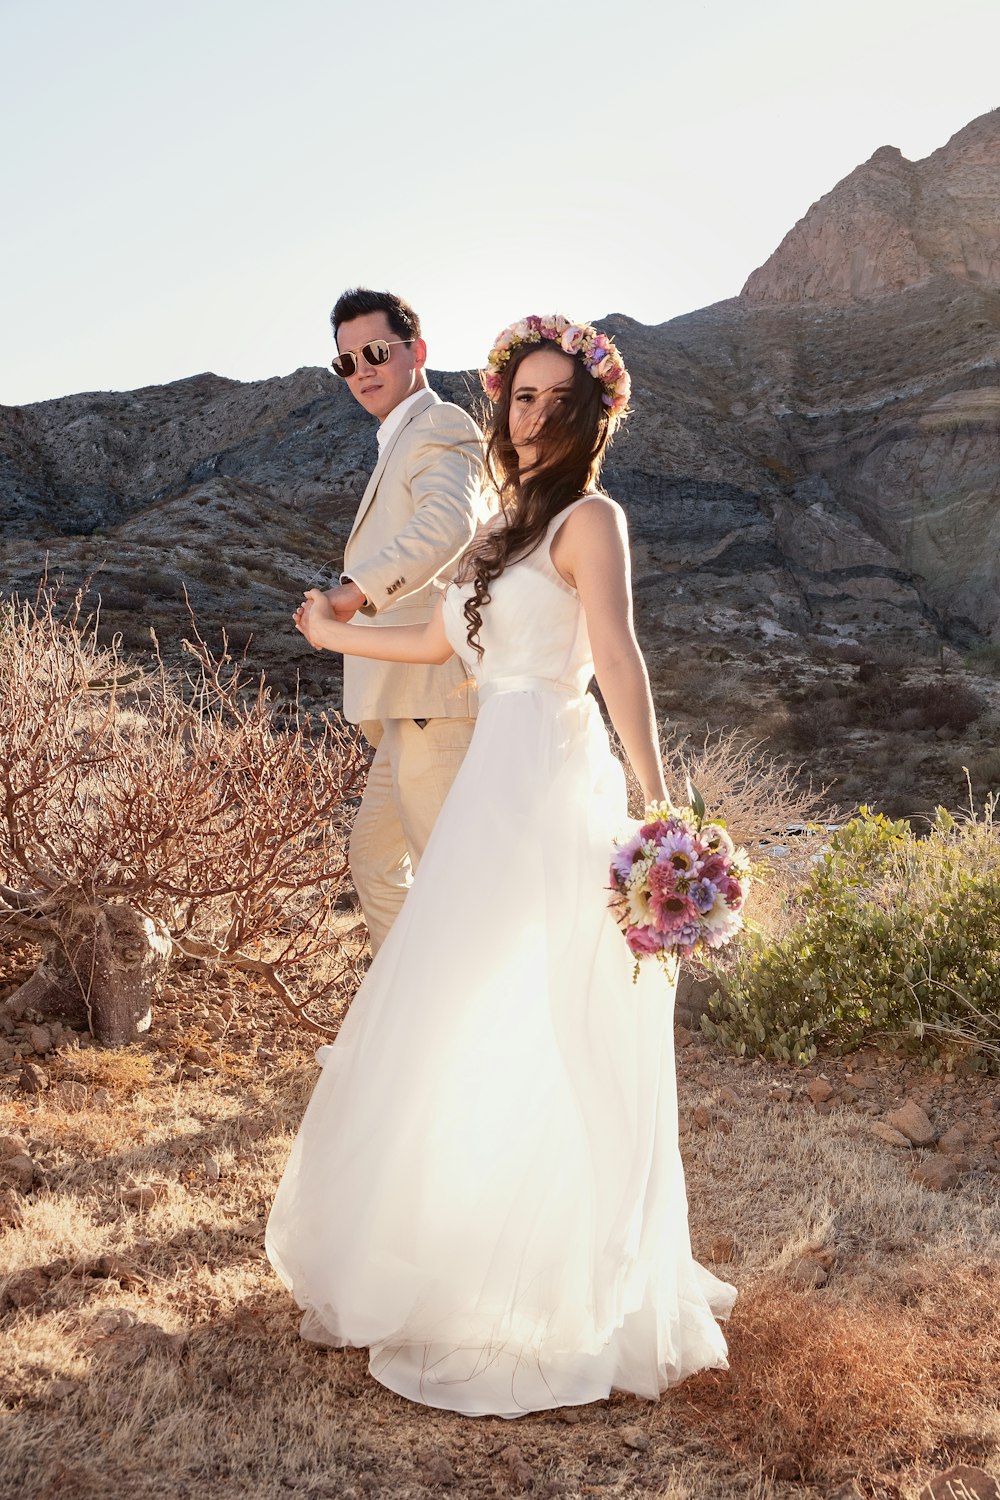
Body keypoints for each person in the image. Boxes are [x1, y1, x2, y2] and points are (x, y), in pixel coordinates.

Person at [267, 314, 736, 1418]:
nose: (530, 417)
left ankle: (578, 1271)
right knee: (444, 1003)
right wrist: (336, 638)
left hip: (559, 783)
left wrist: (661, 806)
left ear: (590, 417)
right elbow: (437, 644)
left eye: (553, 402)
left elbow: (616, 658)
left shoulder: (589, 520)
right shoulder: (499, 530)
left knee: (563, 1011)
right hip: (490, 789)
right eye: (519, 397)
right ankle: (442, 1246)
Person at [324, 287, 489, 953]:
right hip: (405, 710)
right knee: (375, 863)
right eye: (346, 362)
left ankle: (461, 1036)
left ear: (416, 351)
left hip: (437, 704)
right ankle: (413, 1023)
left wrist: (356, 592)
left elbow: (451, 521)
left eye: (376, 352)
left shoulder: (441, 425)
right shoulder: (399, 438)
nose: (361, 369)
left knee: (456, 885)